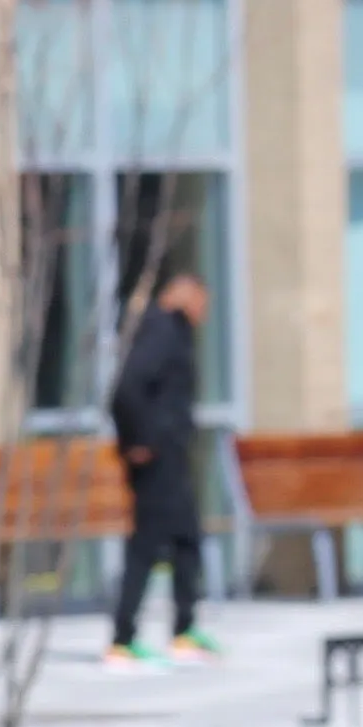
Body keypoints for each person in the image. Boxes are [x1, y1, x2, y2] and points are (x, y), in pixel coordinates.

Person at [105, 269, 220, 666]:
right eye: (203, 301)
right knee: (146, 545)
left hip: (170, 452)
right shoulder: (161, 330)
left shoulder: (172, 331)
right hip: (156, 457)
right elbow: (125, 389)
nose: (205, 312)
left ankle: (185, 629)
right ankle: (122, 638)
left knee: (187, 538)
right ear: (186, 296)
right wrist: (139, 442)